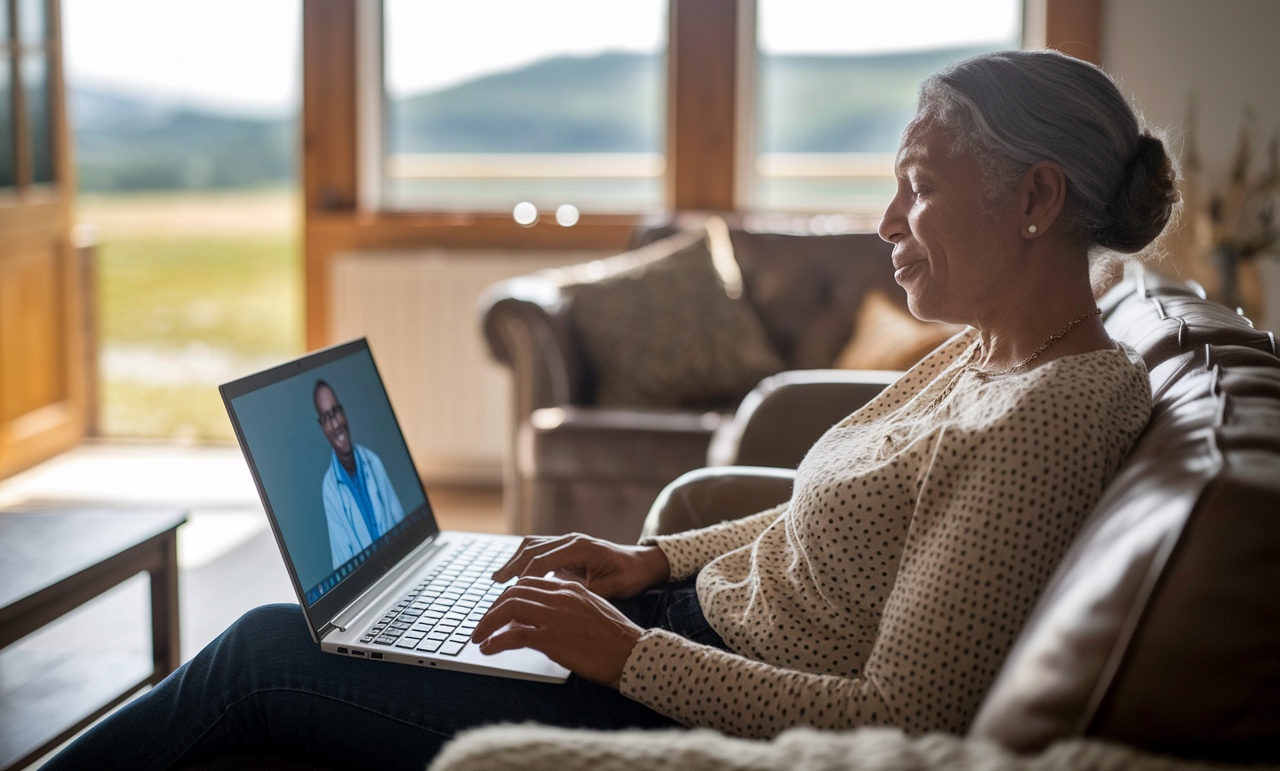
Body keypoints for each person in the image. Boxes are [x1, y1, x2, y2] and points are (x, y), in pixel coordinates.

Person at [45, 50, 1179, 771]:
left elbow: (898, 715)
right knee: (317, 660)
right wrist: (648, 559)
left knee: (257, 653)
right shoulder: (986, 354)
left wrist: (624, 654)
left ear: (1034, 198)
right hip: (677, 638)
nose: (885, 219)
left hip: (682, 711)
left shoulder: (1052, 410)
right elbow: (814, 519)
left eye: (918, 184)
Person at [313, 379, 406, 567]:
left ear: (344, 412)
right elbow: (343, 562)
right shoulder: (330, 489)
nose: (336, 423)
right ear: (322, 427)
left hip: (397, 565)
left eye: (337, 411)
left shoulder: (373, 461)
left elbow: (400, 521)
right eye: (327, 417)